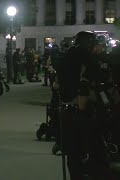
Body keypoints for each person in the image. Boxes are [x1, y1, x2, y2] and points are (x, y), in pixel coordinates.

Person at [56, 31, 114, 180]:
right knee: (95, 152)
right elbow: (98, 77)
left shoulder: (66, 56)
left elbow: (57, 84)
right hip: (83, 110)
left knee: (74, 155)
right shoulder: (85, 57)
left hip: (67, 109)